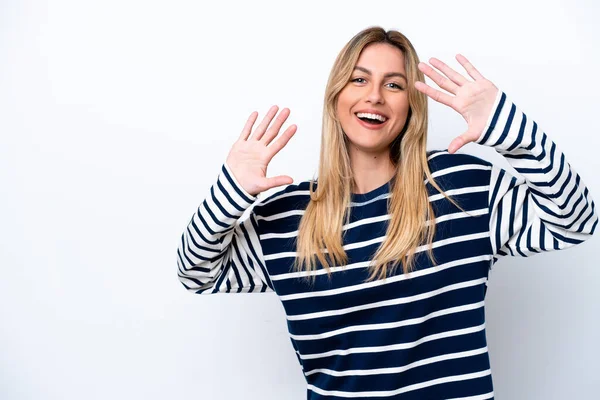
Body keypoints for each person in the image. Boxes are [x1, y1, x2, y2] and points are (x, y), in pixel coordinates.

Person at [176, 26, 597, 399]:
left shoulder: (463, 187)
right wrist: (229, 191)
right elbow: (196, 273)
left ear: (412, 103)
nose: (374, 95)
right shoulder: (285, 219)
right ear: (336, 95)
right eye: (359, 79)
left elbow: (577, 222)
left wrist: (511, 130)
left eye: (394, 85)